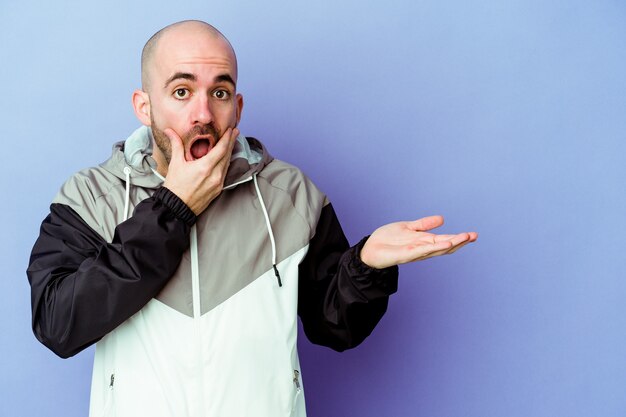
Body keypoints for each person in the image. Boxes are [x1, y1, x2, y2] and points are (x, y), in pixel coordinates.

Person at [27, 20, 477, 417]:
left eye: (219, 93)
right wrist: (172, 208)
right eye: (181, 91)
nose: (203, 114)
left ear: (237, 107)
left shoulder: (292, 196)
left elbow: (336, 328)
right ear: (144, 106)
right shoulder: (89, 198)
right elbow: (58, 324)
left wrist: (366, 268)